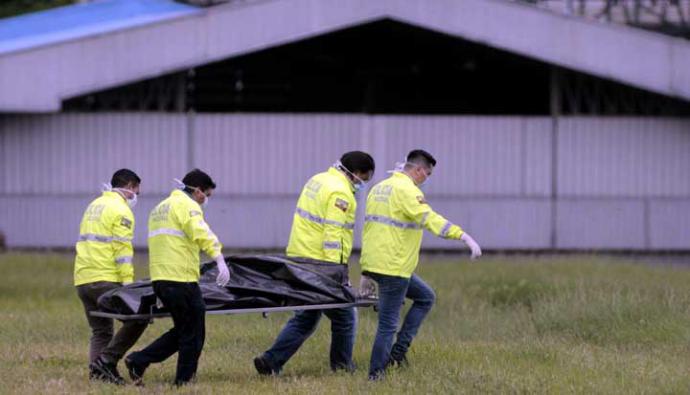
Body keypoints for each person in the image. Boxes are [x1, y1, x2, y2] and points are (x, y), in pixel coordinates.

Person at [359, 149, 482, 380]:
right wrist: (463, 236)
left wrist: (366, 269)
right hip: (393, 268)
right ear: (417, 170)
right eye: (427, 174)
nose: (427, 179)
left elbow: (369, 228)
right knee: (387, 324)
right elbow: (430, 219)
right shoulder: (407, 191)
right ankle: (376, 376)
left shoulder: (379, 188)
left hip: (378, 263)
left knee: (426, 297)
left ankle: (398, 353)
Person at [253, 151, 376, 375]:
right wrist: (336, 274)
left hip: (298, 257)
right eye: (363, 179)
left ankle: (270, 361)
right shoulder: (341, 193)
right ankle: (342, 367)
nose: (362, 185)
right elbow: (333, 235)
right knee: (345, 315)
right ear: (355, 173)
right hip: (320, 264)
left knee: (307, 315)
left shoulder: (317, 180)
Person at [125, 169, 230, 386]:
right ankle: (183, 381)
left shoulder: (160, 208)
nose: (205, 201)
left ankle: (139, 360)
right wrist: (219, 258)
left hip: (161, 278)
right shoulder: (187, 205)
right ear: (197, 190)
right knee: (194, 332)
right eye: (206, 195)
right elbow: (200, 232)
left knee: (185, 329)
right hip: (180, 278)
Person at [74, 169, 148, 385]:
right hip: (104, 279)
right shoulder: (121, 210)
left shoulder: (94, 206)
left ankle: (98, 377)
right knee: (139, 318)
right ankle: (107, 361)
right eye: (137, 191)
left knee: (101, 330)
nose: (136, 196)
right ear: (130, 187)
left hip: (83, 279)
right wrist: (128, 286)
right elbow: (122, 251)